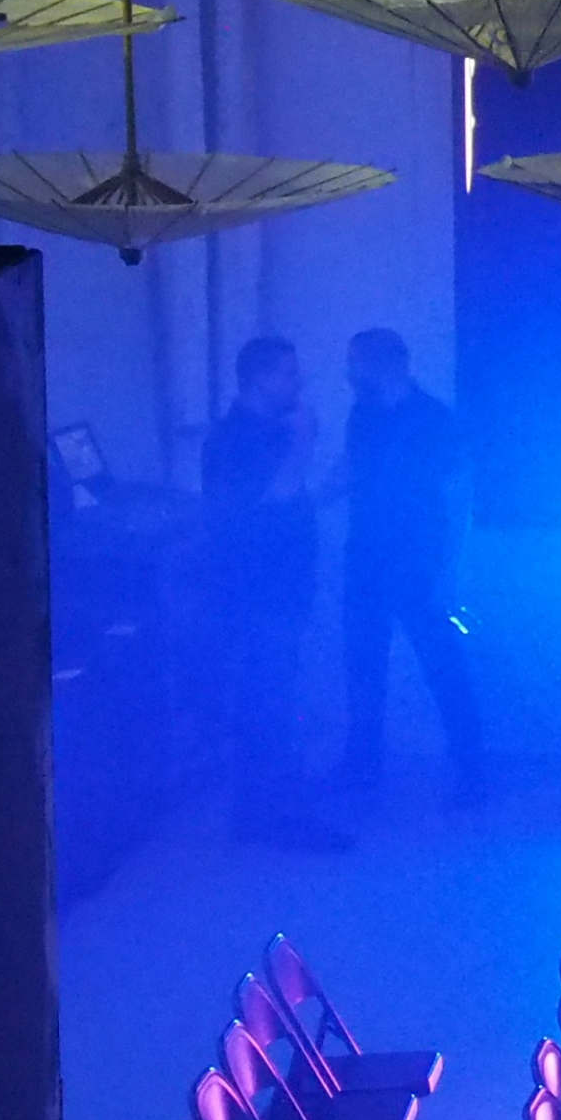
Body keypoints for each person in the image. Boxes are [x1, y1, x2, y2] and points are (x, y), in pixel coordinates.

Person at [202, 335, 346, 852]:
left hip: (279, 592)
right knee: (268, 704)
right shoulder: (236, 437)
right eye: (288, 374)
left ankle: (263, 814)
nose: (299, 383)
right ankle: (274, 820)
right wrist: (304, 443)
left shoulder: (264, 430)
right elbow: (268, 502)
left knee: (273, 701)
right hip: (260, 594)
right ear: (259, 378)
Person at [335, 326, 487, 806]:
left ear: (380, 364)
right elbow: (353, 471)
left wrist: (448, 572)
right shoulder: (363, 415)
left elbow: (459, 496)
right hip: (365, 558)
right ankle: (363, 765)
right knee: (363, 666)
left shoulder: (433, 420)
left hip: (417, 562)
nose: (348, 372)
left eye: (354, 362)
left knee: (442, 665)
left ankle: (472, 771)